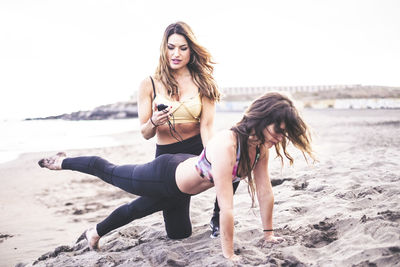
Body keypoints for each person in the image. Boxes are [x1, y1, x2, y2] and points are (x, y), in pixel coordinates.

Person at [38, 92, 315, 261]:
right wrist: (228, 254)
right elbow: (226, 207)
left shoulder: (258, 149)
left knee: (157, 221)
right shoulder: (227, 145)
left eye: (284, 133)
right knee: (109, 171)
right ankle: (63, 161)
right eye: (278, 130)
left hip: (183, 188)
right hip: (166, 174)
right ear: (261, 119)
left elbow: (266, 192)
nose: (280, 137)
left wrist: (268, 236)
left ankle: (93, 232)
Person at [136, 21, 230, 237]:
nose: (176, 53)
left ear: (191, 50)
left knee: (231, 164)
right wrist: (155, 121)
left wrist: (211, 156)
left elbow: (206, 126)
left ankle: (218, 215)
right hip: (167, 156)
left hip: (196, 147)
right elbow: (145, 133)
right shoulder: (148, 83)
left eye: (183, 48)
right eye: (171, 47)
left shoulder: (203, 82)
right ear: (164, 48)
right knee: (178, 233)